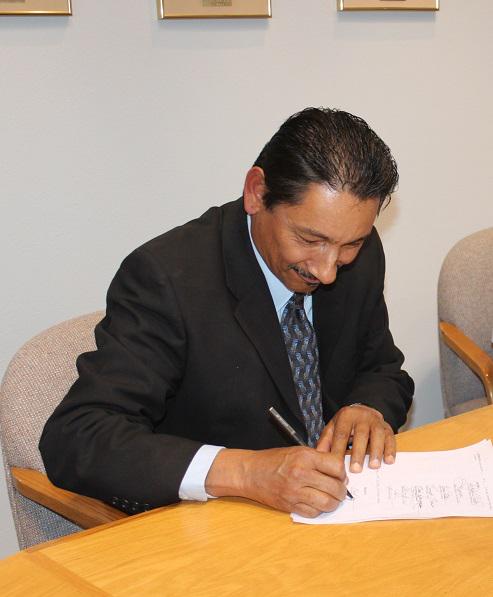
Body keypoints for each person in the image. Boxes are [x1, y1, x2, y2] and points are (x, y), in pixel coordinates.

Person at [40, 108, 414, 519]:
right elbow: (78, 437)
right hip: (216, 526)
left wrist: (367, 408)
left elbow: (382, 369)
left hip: (334, 515)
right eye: (310, 239)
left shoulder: (358, 253)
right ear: (256, 193)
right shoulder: (168, 279)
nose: (327, 270)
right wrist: (244, 472)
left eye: (350, 245)